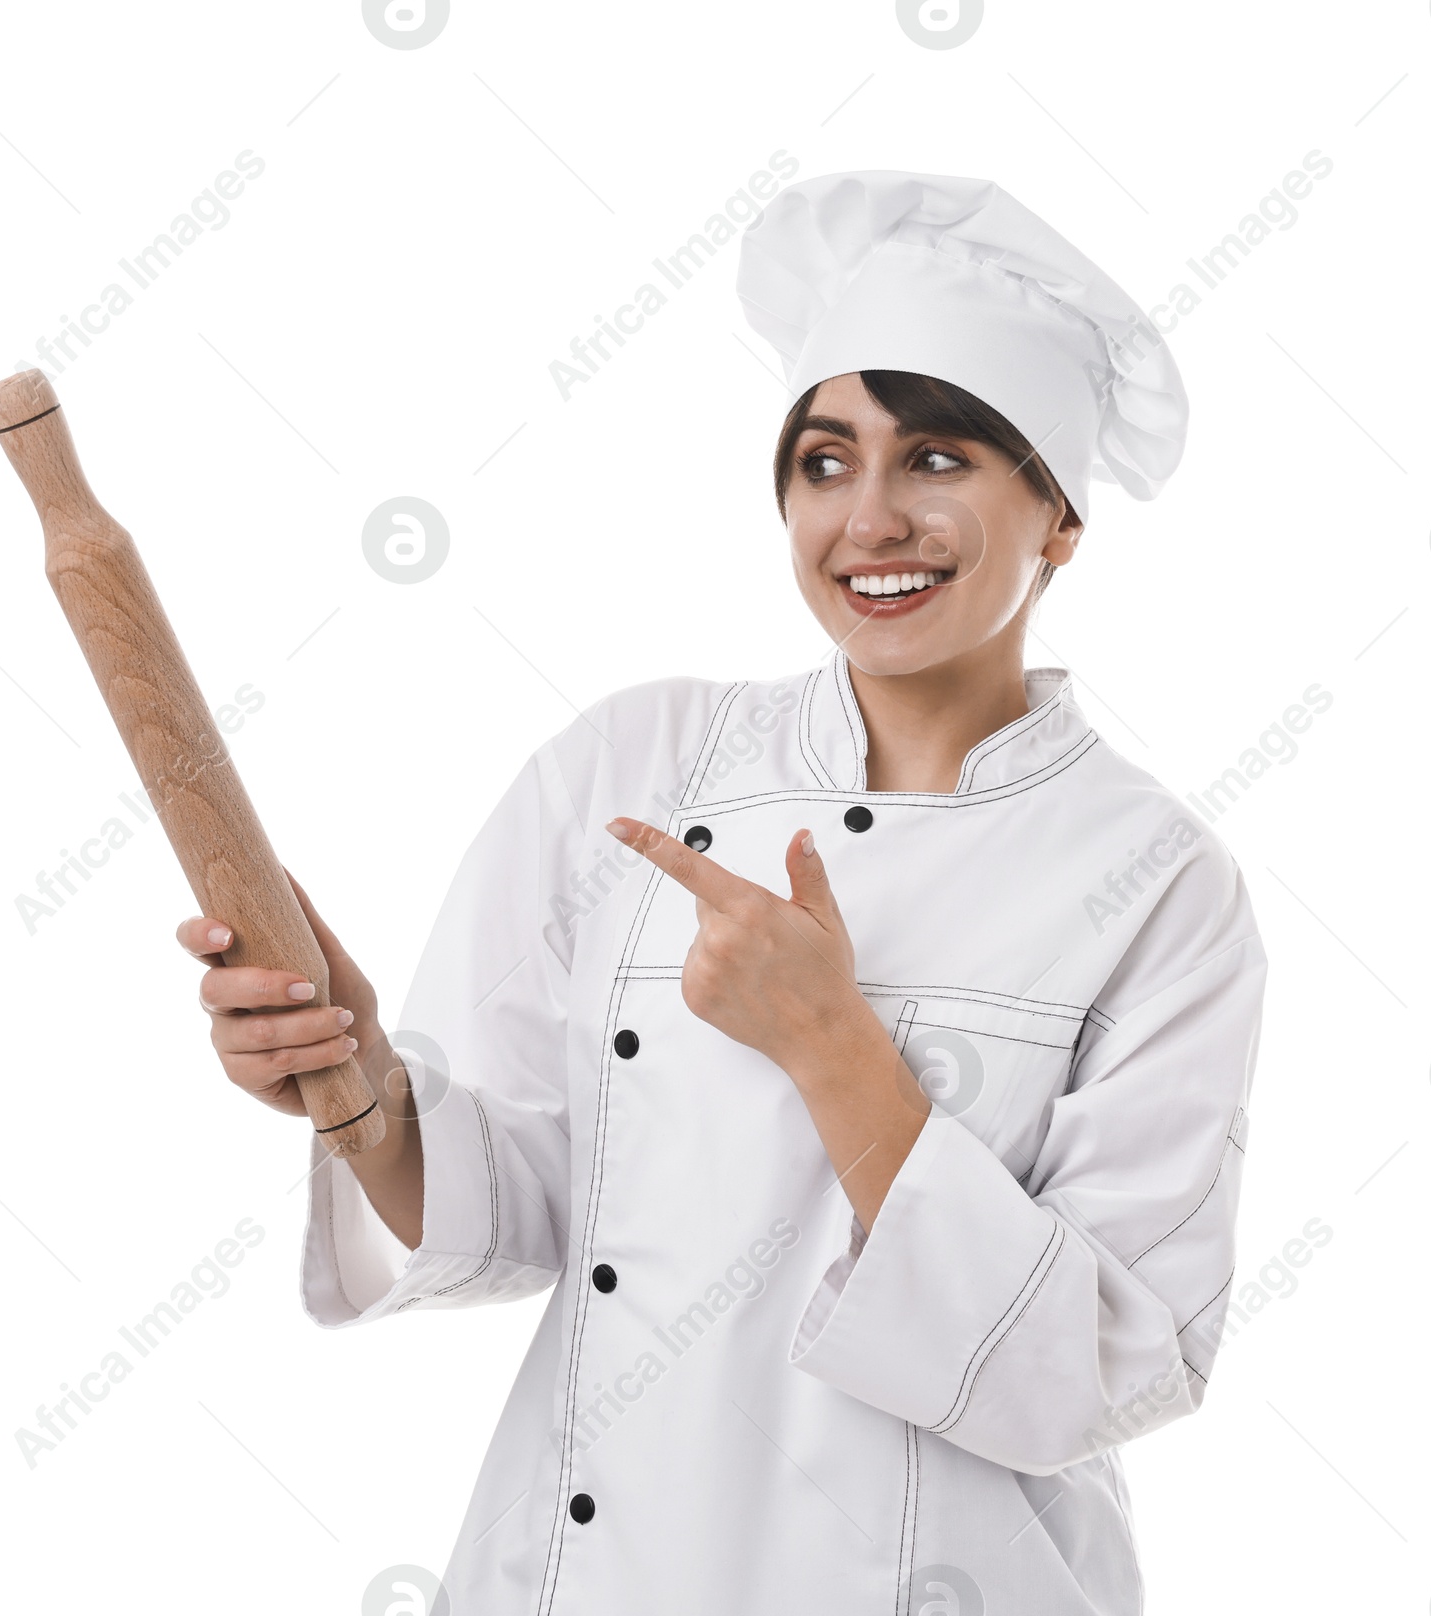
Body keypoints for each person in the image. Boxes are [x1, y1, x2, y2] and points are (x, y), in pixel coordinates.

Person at [176, 172, 1267, 1615]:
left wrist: (833, 1049)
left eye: (935, 458)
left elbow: (1112, 1367)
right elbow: (522, 1210)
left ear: (1058, 519)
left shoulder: (1154, 881)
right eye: (824, 462)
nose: (868, 519)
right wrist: (362, 1090)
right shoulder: (631, 766)